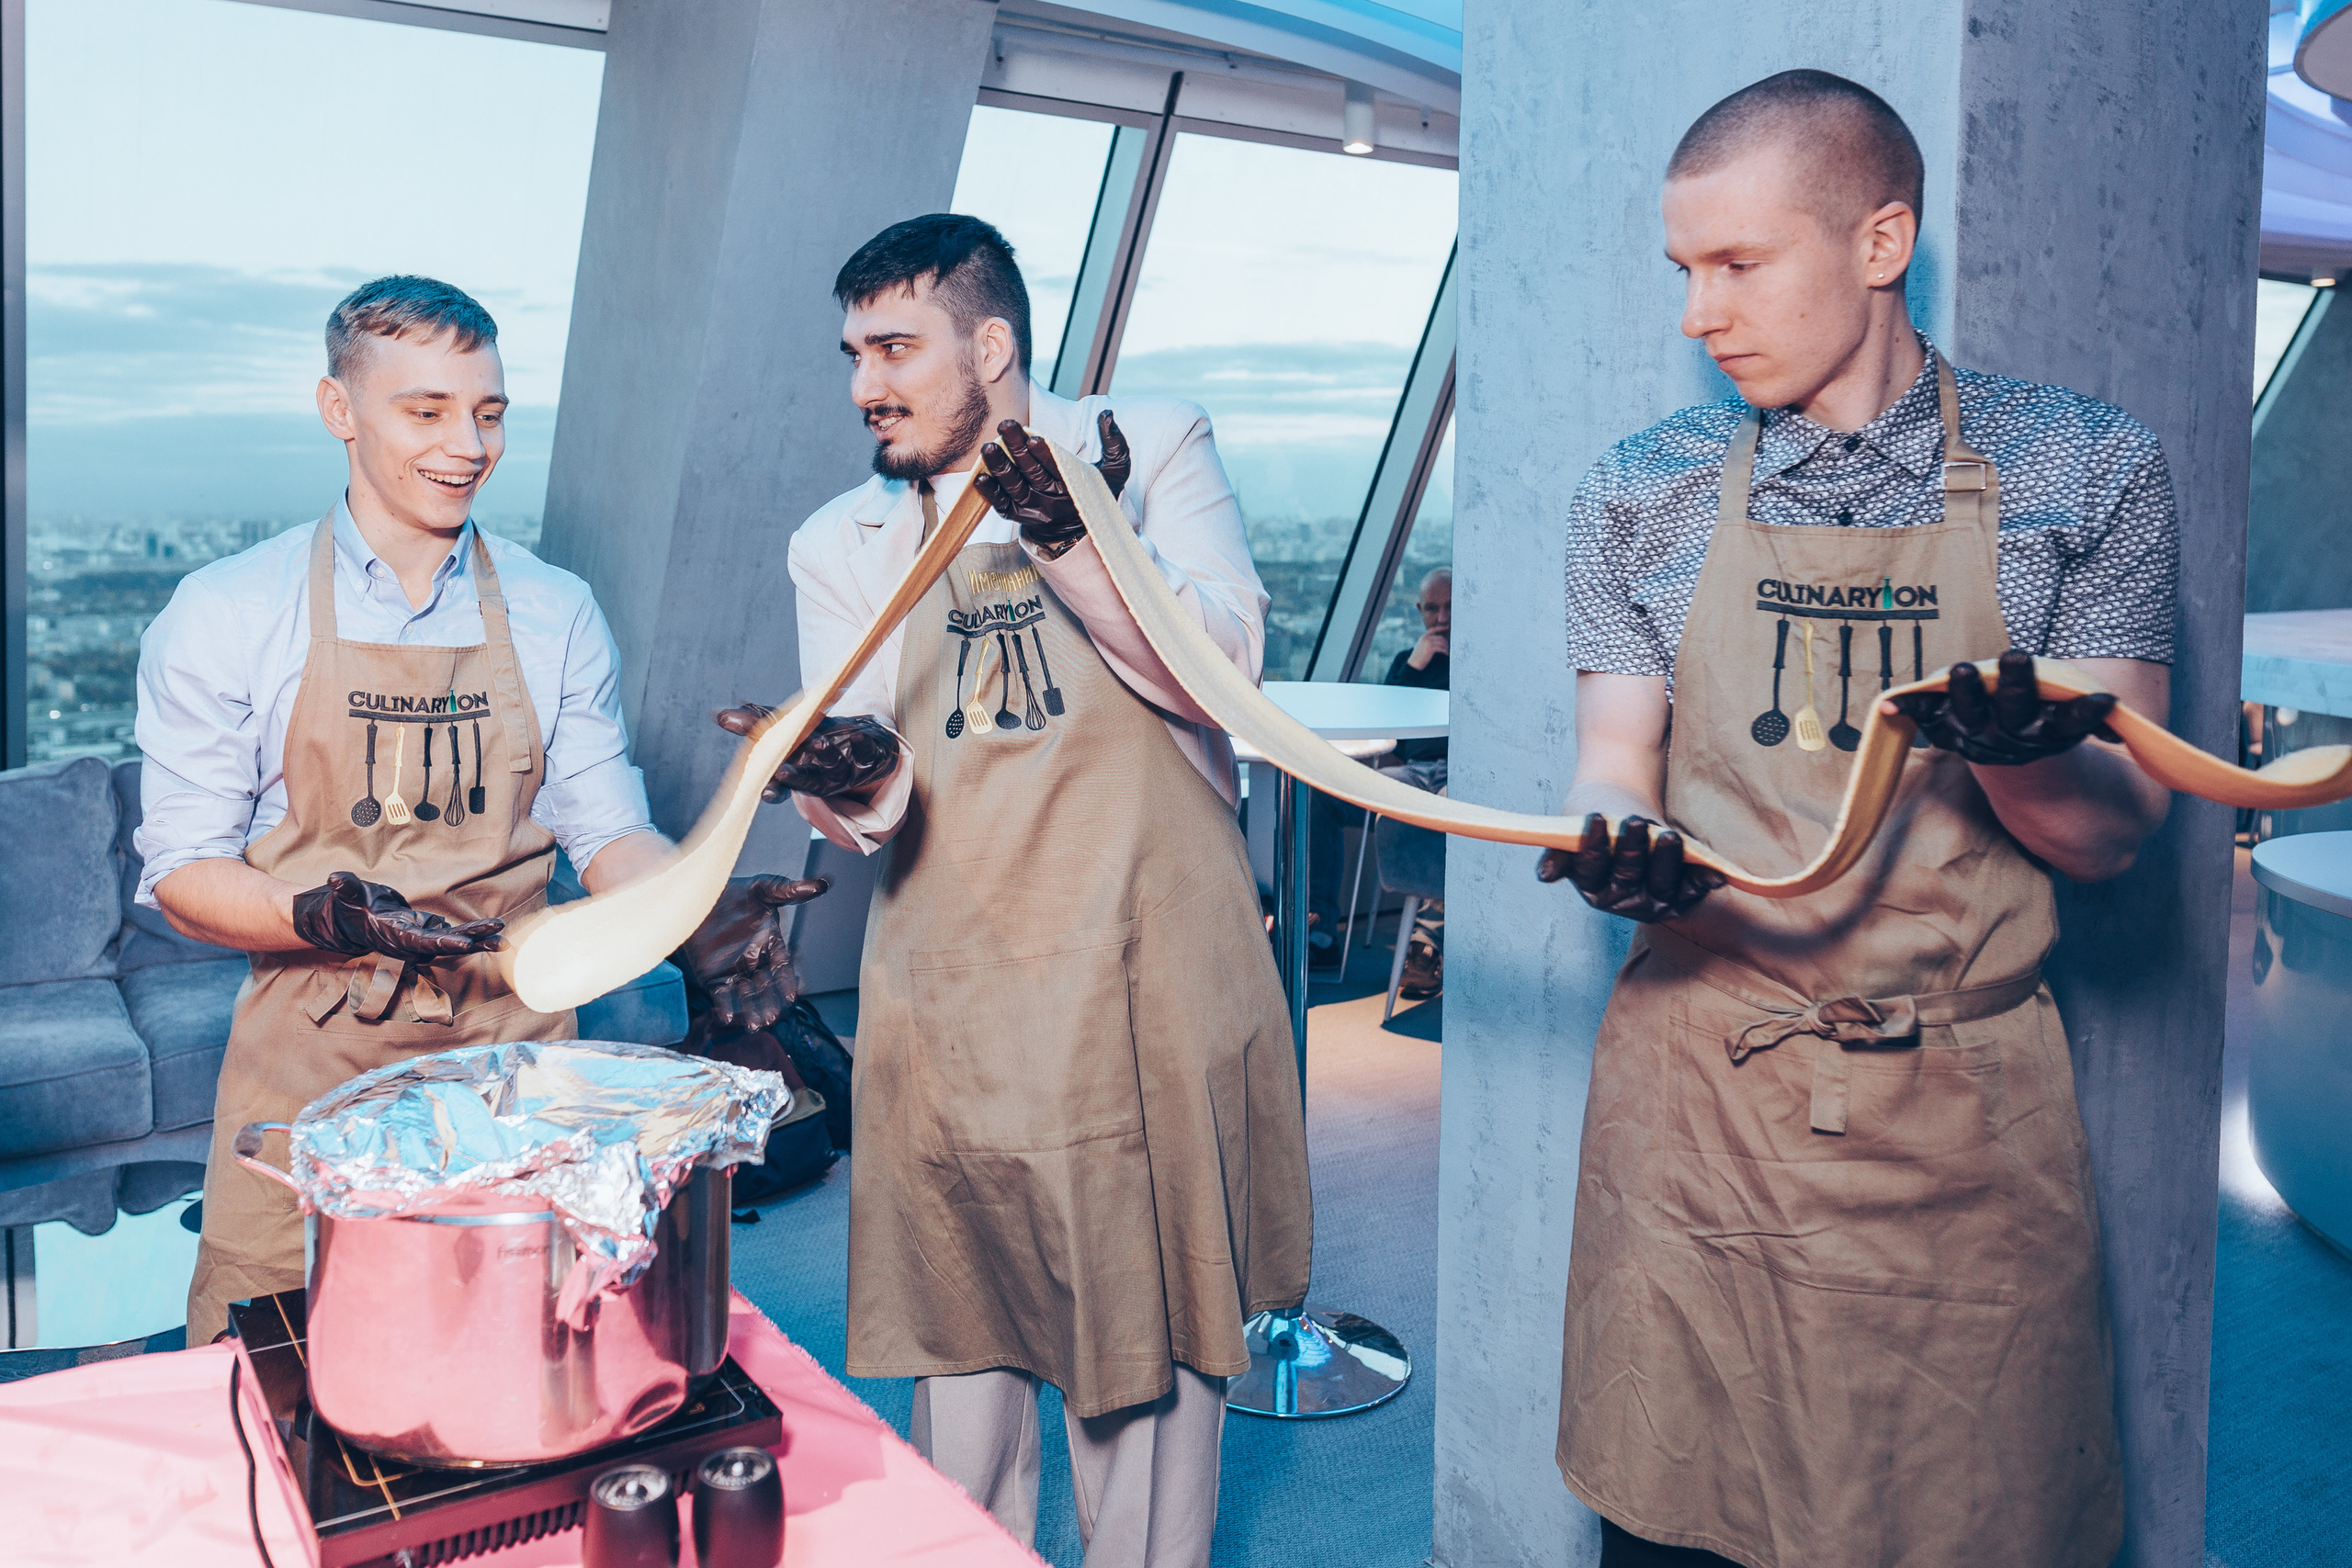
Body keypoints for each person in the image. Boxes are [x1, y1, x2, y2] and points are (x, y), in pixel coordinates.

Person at [1540, 72, 2175, 1568]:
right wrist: (1612, 842)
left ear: (1881, 240)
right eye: (1684, 272)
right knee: (1683, 1529)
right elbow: (1612, 760)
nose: (1701, 313)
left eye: (1739, 264)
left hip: (1963, 1111)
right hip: (1703, 1090)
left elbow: (2119, 836)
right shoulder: (1637, 494)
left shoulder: (2088, 471)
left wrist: (2022, 756)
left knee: (1967, 1522)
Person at [721, 215, 1308, 1567]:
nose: (864, 383)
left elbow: (1218, 669)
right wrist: (846, 771)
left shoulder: (1145, 448)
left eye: (895, 347)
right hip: (959, 984)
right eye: (853, 352)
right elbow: (866, 793)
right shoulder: (842, 536)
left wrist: (1071, 531)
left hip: (1147, 963)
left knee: (1149, 1350)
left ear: (989, 344)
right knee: (966, 1341)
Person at [139, 276, 826, 1348]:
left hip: (514, 1074)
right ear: (339, 410)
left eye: (489, 411)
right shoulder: (229, 612)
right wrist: (331, 916)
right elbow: (183, 870)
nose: (468, 444)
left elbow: (605, 835)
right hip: (311, 1078)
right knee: (277, 1381)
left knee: (518, 1372)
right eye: (427, 411)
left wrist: (690, 905)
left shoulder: (554, 611)